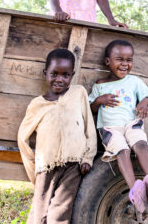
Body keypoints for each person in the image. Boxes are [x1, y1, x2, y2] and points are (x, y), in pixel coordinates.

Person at [17, 49, 97, 224]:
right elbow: (22, 139)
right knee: (38, 215)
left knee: (60, 212)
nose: (59, 79)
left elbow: (89, 128)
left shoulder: (78, 93)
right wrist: (35, 169)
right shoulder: (37, 104)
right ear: (46, 73)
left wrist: (88, 158)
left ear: (72, 75)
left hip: (73, 165)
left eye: (65, 75)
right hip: (46, 167)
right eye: (54, 74)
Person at [89, 39, 148, 214]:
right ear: (108, 62)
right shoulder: (100, 85)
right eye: (119, 59)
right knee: (122, 150)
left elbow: (147, 97)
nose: (125, 64)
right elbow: (91, 107)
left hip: (130, 123)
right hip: (110, 128)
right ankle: (135, 190)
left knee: (141, 143)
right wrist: (100, 100)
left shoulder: (134, 81)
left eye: (129, 60)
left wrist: (144, 102)